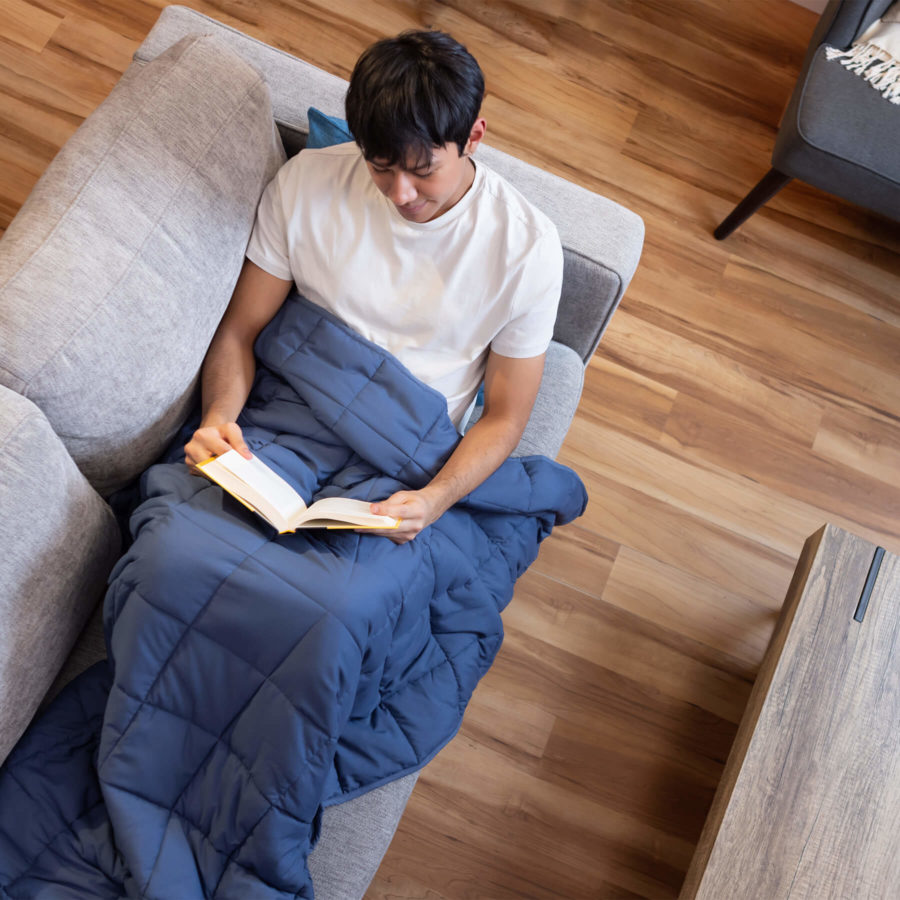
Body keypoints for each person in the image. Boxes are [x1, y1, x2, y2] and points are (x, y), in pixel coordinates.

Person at [184, 29, 563, 544]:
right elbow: (239, 332)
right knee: (182, 548)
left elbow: (504, 417)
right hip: (282, 421)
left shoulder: (527, 249)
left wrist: (434, 500)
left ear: (473, 137)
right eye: (380, 167)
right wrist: (218, 419)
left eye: (422, 169)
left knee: (341, 609)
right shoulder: (306, 183)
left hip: (405, 460)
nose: (401, 193)